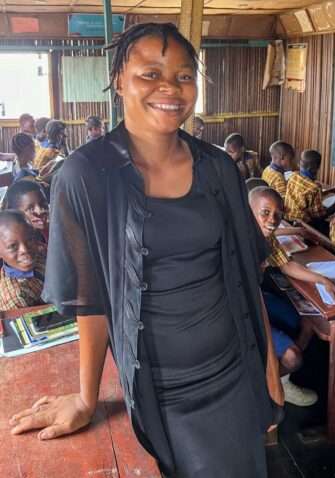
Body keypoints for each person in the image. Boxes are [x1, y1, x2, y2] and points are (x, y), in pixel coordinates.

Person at [9, 23, 282, 478]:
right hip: (159, 387)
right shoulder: (85, 176)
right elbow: (92, 302)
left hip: (233, 372)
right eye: (150, 74)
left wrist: (268, 368)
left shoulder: (217, 167)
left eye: (183, 75)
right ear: (119, 79)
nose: (170, 88)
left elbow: (245, 278)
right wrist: (85, 397)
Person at [249, 186, 335, 406]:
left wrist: (327, 281)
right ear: (248, 211)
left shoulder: (267, 238)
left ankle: (282, 375)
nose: (273, 220)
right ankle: (266, 388)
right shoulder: (238, 242)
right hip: (241, 308)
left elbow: (287, 266)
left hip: (256, 297)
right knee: (293, 356)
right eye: (265, 213)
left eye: (278, 214)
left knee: (301, 320)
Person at [0, 211, 45, 311]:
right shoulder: (16, 297)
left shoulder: (41, 252)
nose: (25, 250)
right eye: (13, 246)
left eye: (29, 240)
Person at [284, 149, 328, 229]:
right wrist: (329, 210)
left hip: (287, 217)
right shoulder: (315, 187)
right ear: (315, 168)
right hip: (302, 222)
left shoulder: (293, 176)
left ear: (300, 163)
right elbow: (317, 214)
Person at [2, 180, 49, 244]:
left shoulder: (51, 229)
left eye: (43, 204)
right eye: (30, 208)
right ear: (16, 213)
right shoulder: (18, 245)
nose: (39, 211)